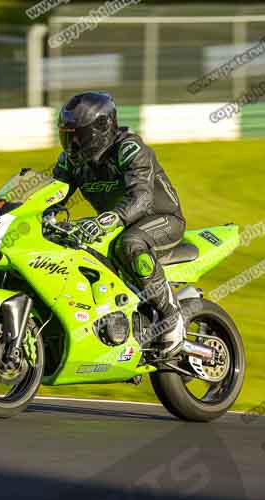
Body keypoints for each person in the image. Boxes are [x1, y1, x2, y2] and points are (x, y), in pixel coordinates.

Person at [52, 91, 186, 356]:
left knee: (130, 243)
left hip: (160, 218)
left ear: (101, 130)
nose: (72, 145)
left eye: (79, 136)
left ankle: (171, 317)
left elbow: (142, 198)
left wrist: (111, 218)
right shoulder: (71, 162)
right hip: (117, 222)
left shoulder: (129, 149)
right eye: (67, 137)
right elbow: (53, 195)